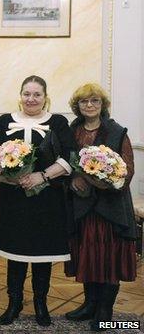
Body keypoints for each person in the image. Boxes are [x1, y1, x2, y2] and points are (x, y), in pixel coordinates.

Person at [0, 76, 76, 327]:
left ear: (45, 97)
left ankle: (41, 303)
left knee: (43, 253)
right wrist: (12, 175)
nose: (31, 99)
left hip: (47, 199)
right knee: (15, 253)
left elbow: (70, 157)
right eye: (27, 94)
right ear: (20, 95)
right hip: (14, 198)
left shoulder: (58, 122)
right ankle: (14, 303)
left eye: (36, 94)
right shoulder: (5, 120)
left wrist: (41, 175)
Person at [64, 83, 138, 331]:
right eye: (84, 102)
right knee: (87, 254)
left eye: (95, 101)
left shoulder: (117, 132)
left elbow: (126, 170)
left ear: (102, 105)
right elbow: (62, 162)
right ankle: (89, 304)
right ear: (78, 106)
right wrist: (73, 179)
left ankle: (105, 310)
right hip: (82, 207)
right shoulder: (71, 131)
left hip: (110, 208)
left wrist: (104, 182)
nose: (89, 105)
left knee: (108, 257)